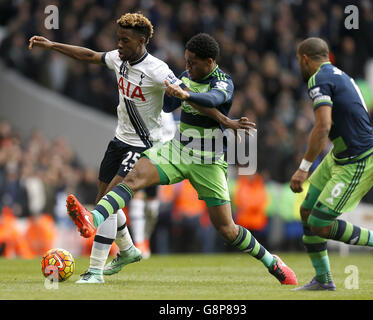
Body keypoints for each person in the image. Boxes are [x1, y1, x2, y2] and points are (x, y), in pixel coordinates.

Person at [28, 13, 246, 284]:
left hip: (145, 144)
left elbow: (191, 100)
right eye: (118, 38)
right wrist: (52, 45)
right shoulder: (119, 58)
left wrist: (225, 120)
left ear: (142, 41)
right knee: (104, 202)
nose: (119, 44)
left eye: (125, 40)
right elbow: (89, 55)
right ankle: (129, 250)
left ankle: (95, 271)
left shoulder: (158, 69)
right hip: (120, 139)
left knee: (108, 201)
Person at [65, 33, 298, 286]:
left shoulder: (223, 82)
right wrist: (162, 92)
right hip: (177, 151)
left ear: (209, 62)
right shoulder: (186, 76)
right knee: (132, 178)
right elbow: (167, 107)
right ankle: (94, 218)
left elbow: (214, 100)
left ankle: (272, 261)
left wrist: (186, 95)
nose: (187, 68)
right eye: (186, 62)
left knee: (227, 229)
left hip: (207, 163)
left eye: (192, 63)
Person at [289, 37, 373, 291]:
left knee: (319, 223)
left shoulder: (317, 79)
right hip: (340, 155)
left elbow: (323, 126)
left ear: (305, 59)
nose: (299, 65)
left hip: (360, 159)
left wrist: (304, 167)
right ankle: (323, 279)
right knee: (307, 212)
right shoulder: (339, 75)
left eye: (298, 60)